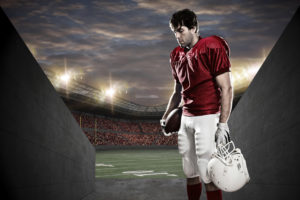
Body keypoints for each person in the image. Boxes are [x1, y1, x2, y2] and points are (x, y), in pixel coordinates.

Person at [160, 9, 233, 200]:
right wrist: (166, 115)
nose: (177, 36)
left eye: (181, 30)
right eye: (174, 32)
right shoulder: (175, 55)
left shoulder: (212, 46)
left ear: (194, 28)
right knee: (190, 171)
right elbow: (177, 91)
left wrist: (223, 123)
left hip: (207, 117)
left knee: (208, 173)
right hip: (186, 117)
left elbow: (226, 88)